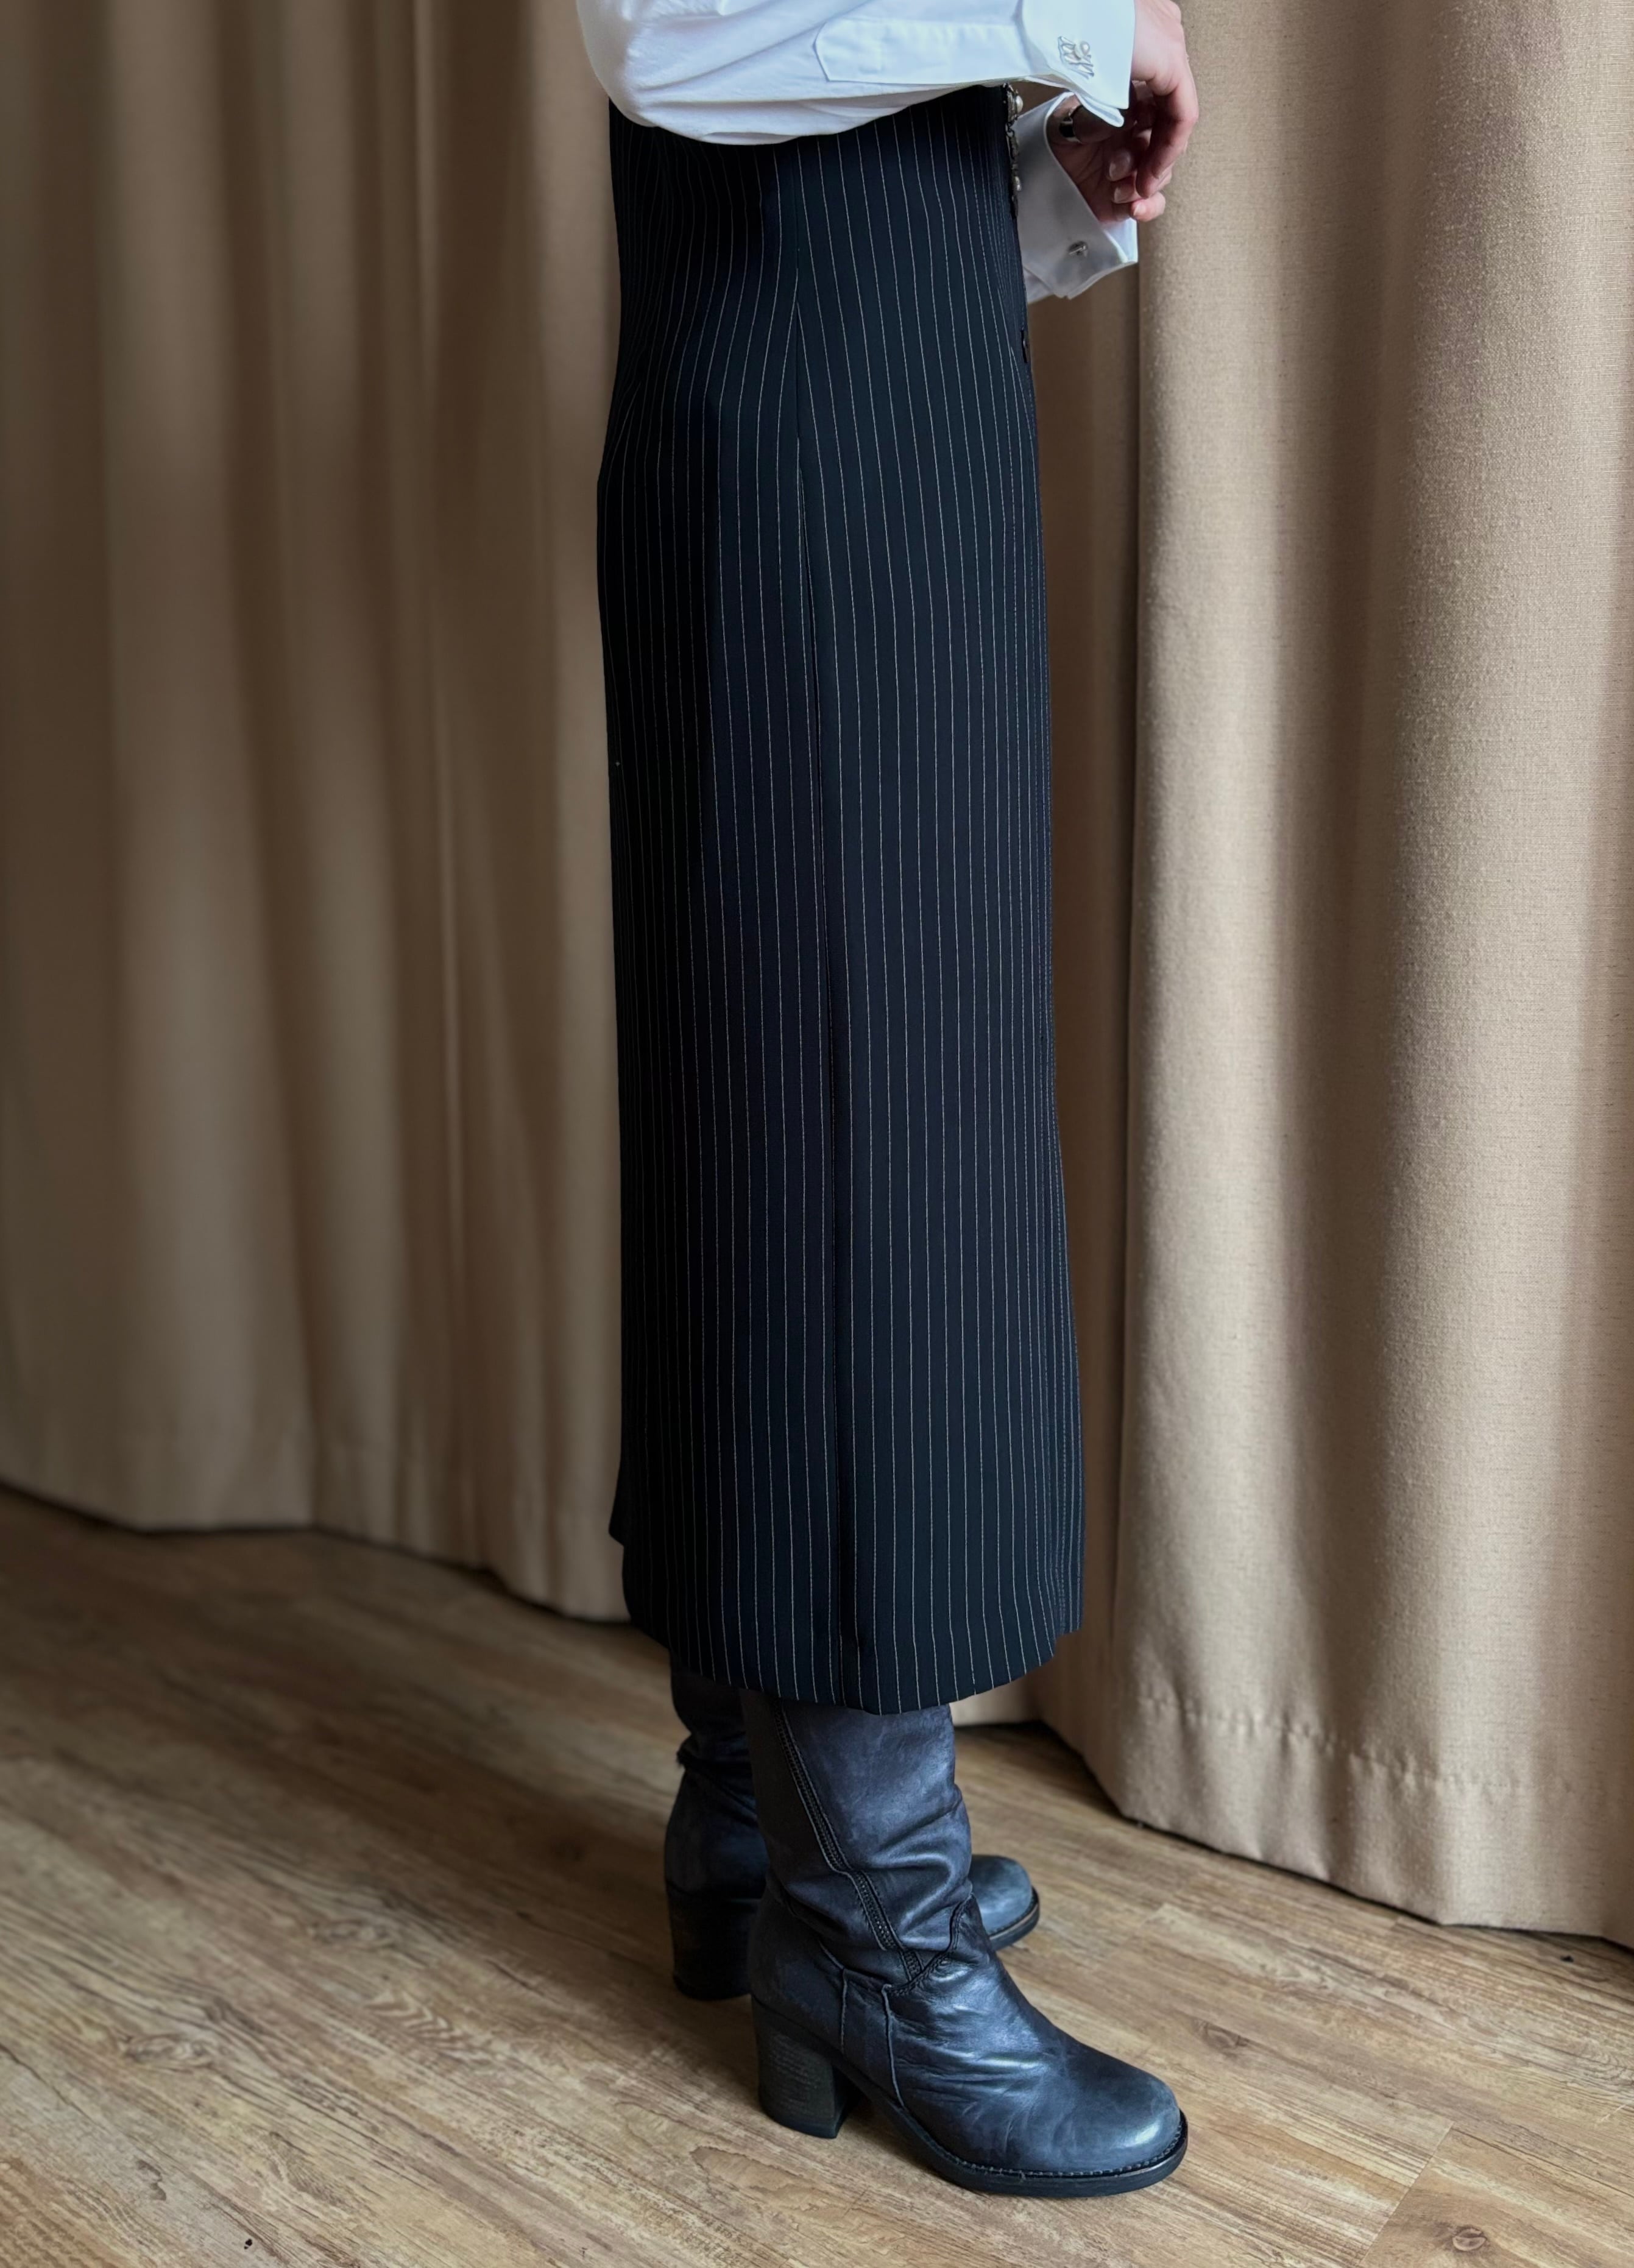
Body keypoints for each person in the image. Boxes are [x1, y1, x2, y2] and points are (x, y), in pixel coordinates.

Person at [576, 0, 1200, 2198]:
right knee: (854, 1158)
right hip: (808, 471)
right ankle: (875, 1923)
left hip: (881, 435)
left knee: (802, 1124)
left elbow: (811, 127)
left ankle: (758, 1825)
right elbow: (665, 38)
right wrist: (1074, 10)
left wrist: (1034, 163)